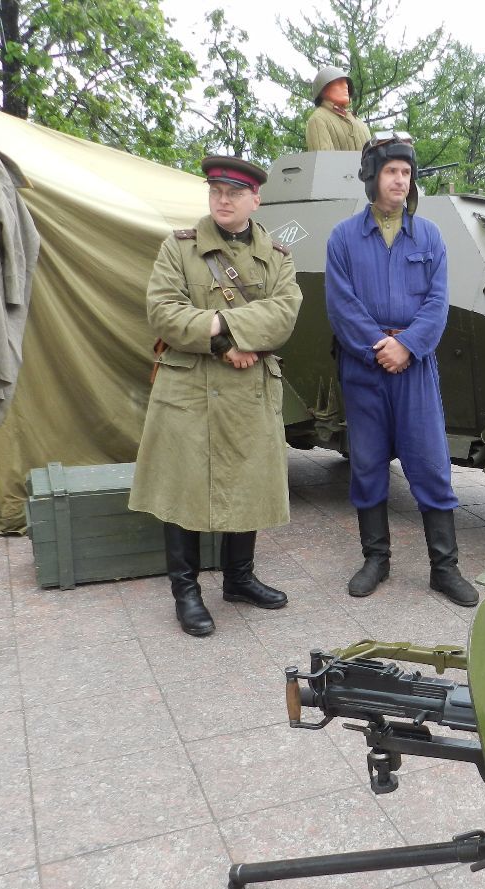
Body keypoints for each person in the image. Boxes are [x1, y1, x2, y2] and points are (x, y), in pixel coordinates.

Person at [130, 156, 302, 637]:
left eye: (233, 192)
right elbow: (163, 312)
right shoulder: (178, 247)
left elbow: (283, 317)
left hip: (249, 391)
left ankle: (239, 580)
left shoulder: (279, 257)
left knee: (246, 481)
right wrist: (227, 343)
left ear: (255, 199)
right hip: (190, 388)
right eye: (215, 191)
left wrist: (218, 322)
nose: (222, 200)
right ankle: (185, 592)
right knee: (182, 485)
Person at [324, 134, 478, 607]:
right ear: (373, 176)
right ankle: (376, 559)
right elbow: (341, 304)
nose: (400, 179)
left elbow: (437, 302)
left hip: (414, 367)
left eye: (406, 173)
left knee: (430, 464)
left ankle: (444, 568)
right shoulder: (344, 237)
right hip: (364, 367)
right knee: (367, 464)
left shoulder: (429, 235)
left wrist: (406, 346)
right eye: (391, 171)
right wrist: (378, 346)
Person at [305, 66, 372, 152]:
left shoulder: (360, 123)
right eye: (339, 83)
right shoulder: (318, 119)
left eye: (346, 83)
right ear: (322, 91)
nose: (345, 86)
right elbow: (324, 162)